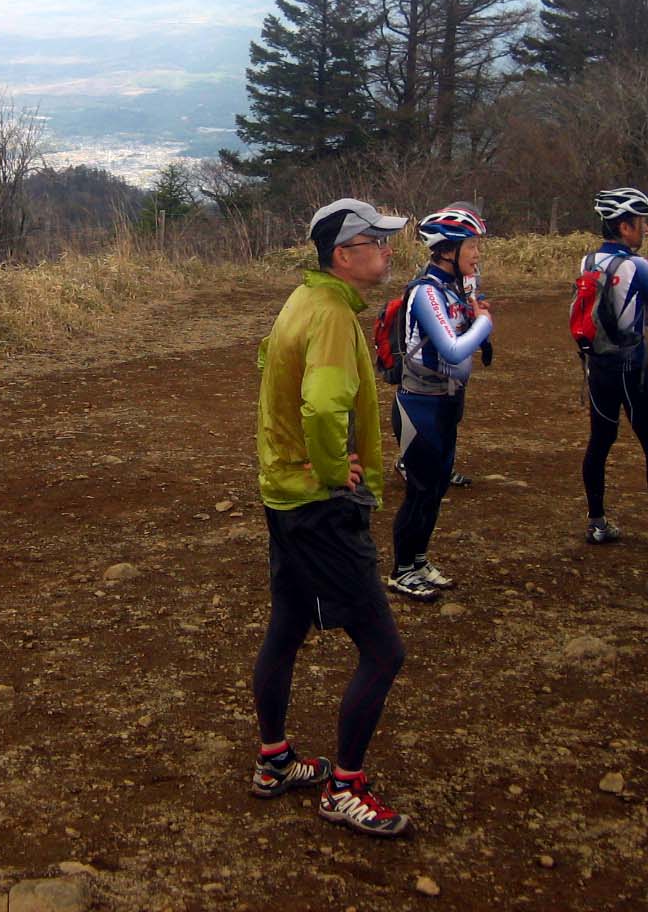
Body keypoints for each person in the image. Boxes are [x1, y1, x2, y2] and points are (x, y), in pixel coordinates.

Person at [250, 198, 412, 839]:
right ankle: (344, 787)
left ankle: (275, 762)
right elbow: (320, 406)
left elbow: (268, 367)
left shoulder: (304, 300)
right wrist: (328, 471)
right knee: (383, 650)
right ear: (343, 256)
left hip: (285, 496)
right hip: (318, 505)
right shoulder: (333, 319)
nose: (387, 250)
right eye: (375, 240)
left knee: (287, 627)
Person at [388, 205, 494, 601]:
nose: (477, 254)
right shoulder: (427, 291)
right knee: (419, 489)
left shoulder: (455, 286)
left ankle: (418, 560)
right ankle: (401, 570)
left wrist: (476, 317)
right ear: (449, 249)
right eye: (472, 246)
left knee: (436, 489)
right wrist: (484, 323)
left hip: (447, 402)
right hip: (420, 404)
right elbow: (451, 349)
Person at [577, 188, 648, 546]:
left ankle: (596, 520)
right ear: (625, 227)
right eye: (641, 223)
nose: (645, 229)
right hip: (632, 369)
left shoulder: (587, 262)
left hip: (597, 367)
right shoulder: (638, 266)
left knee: (600, 440)